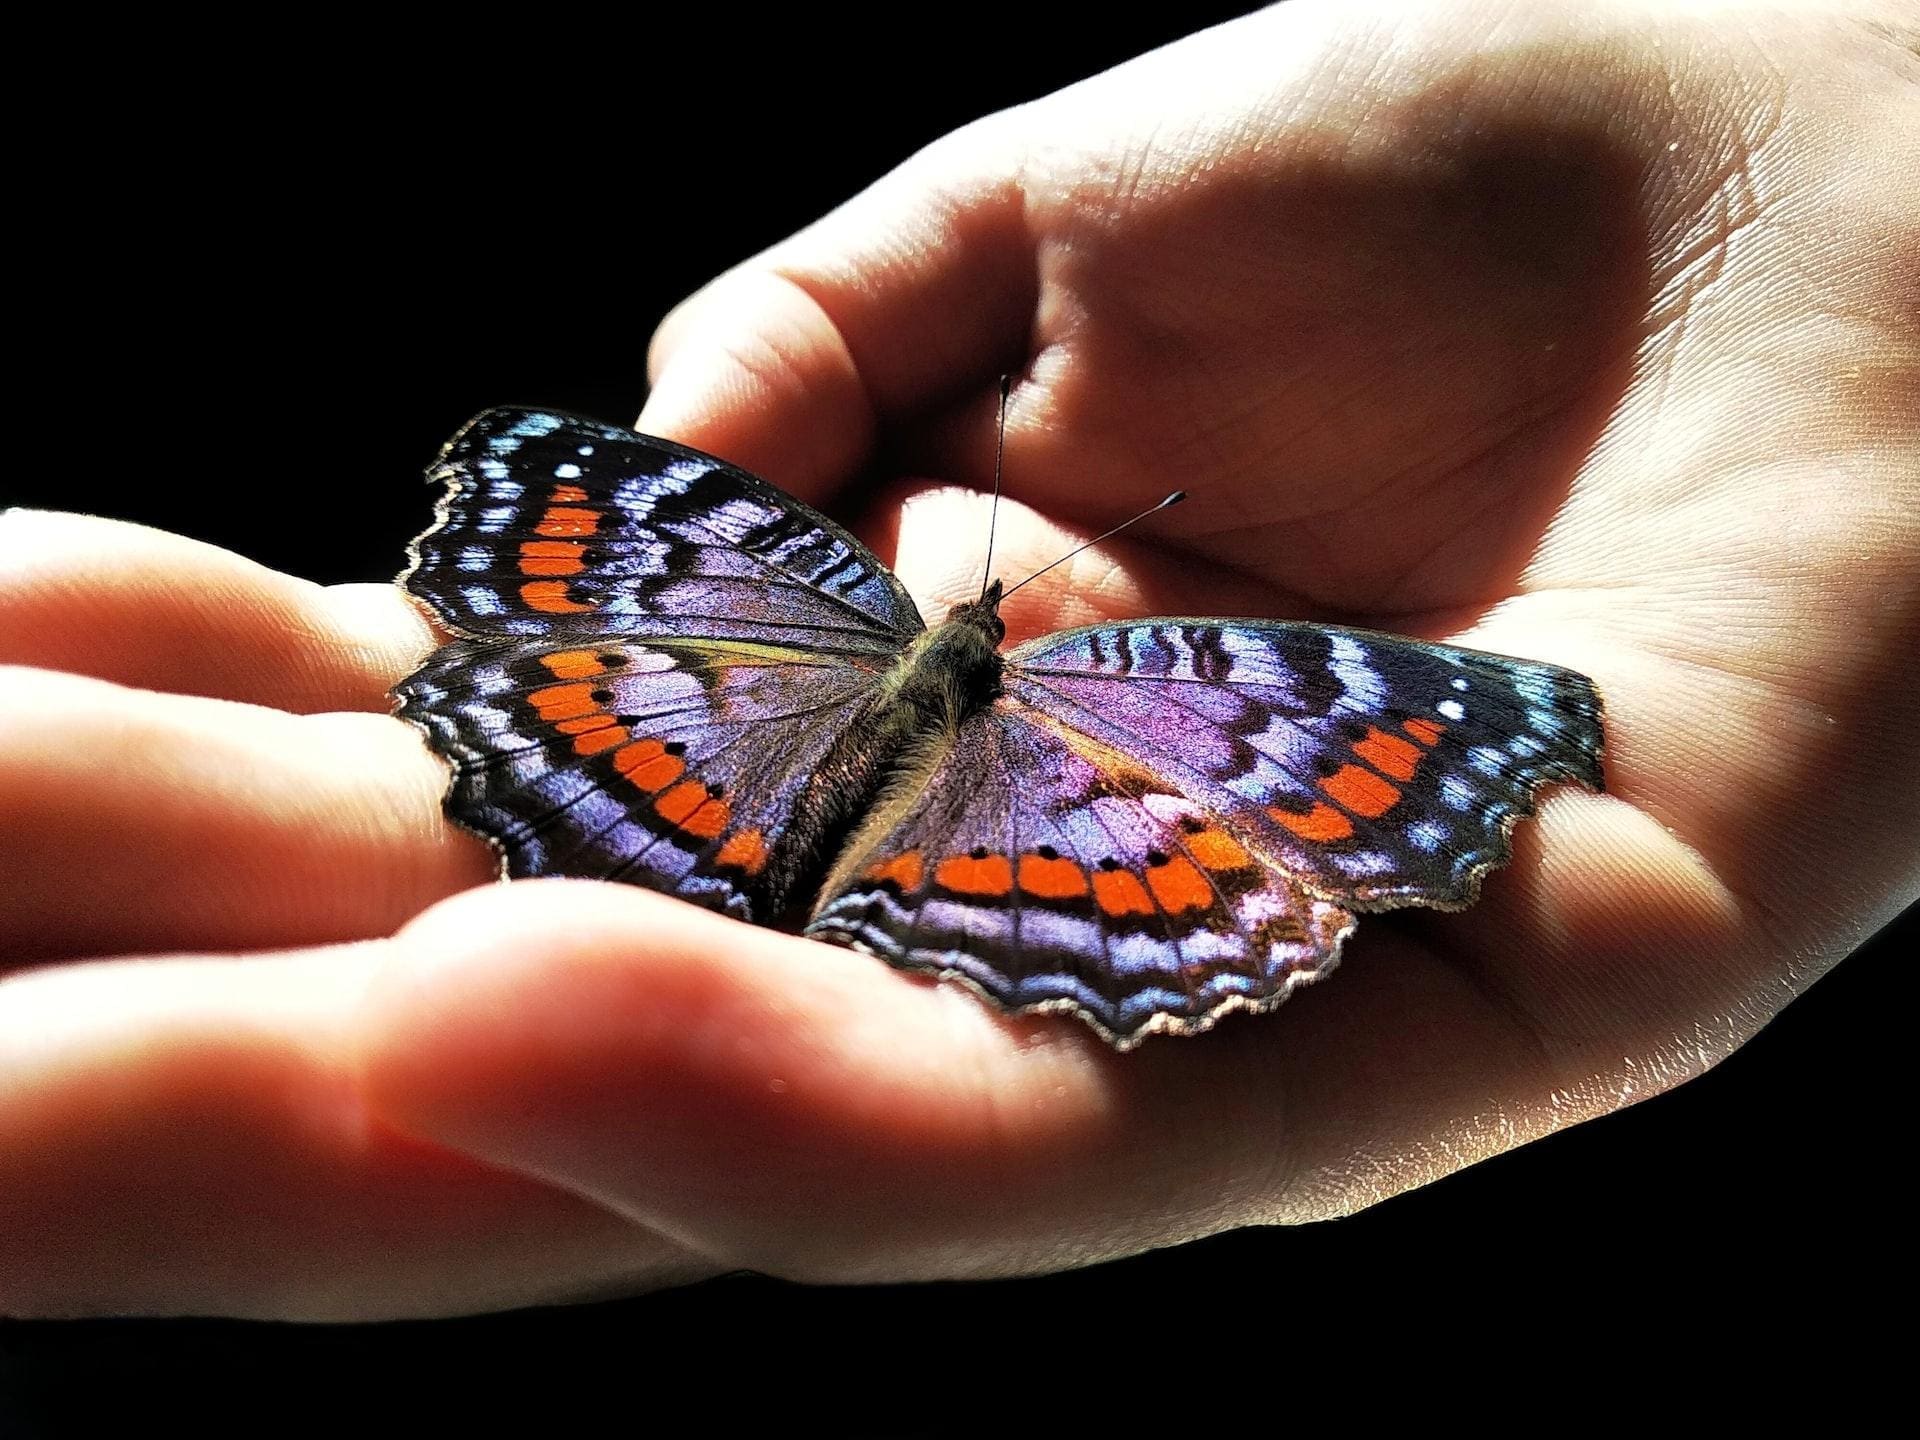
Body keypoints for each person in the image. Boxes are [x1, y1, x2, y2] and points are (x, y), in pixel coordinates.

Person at [1, 0, 1913, 1320]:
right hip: (1013, 822)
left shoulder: (804, 577)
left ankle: (638, 819)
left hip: (697, 725)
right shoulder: (1186, 678)